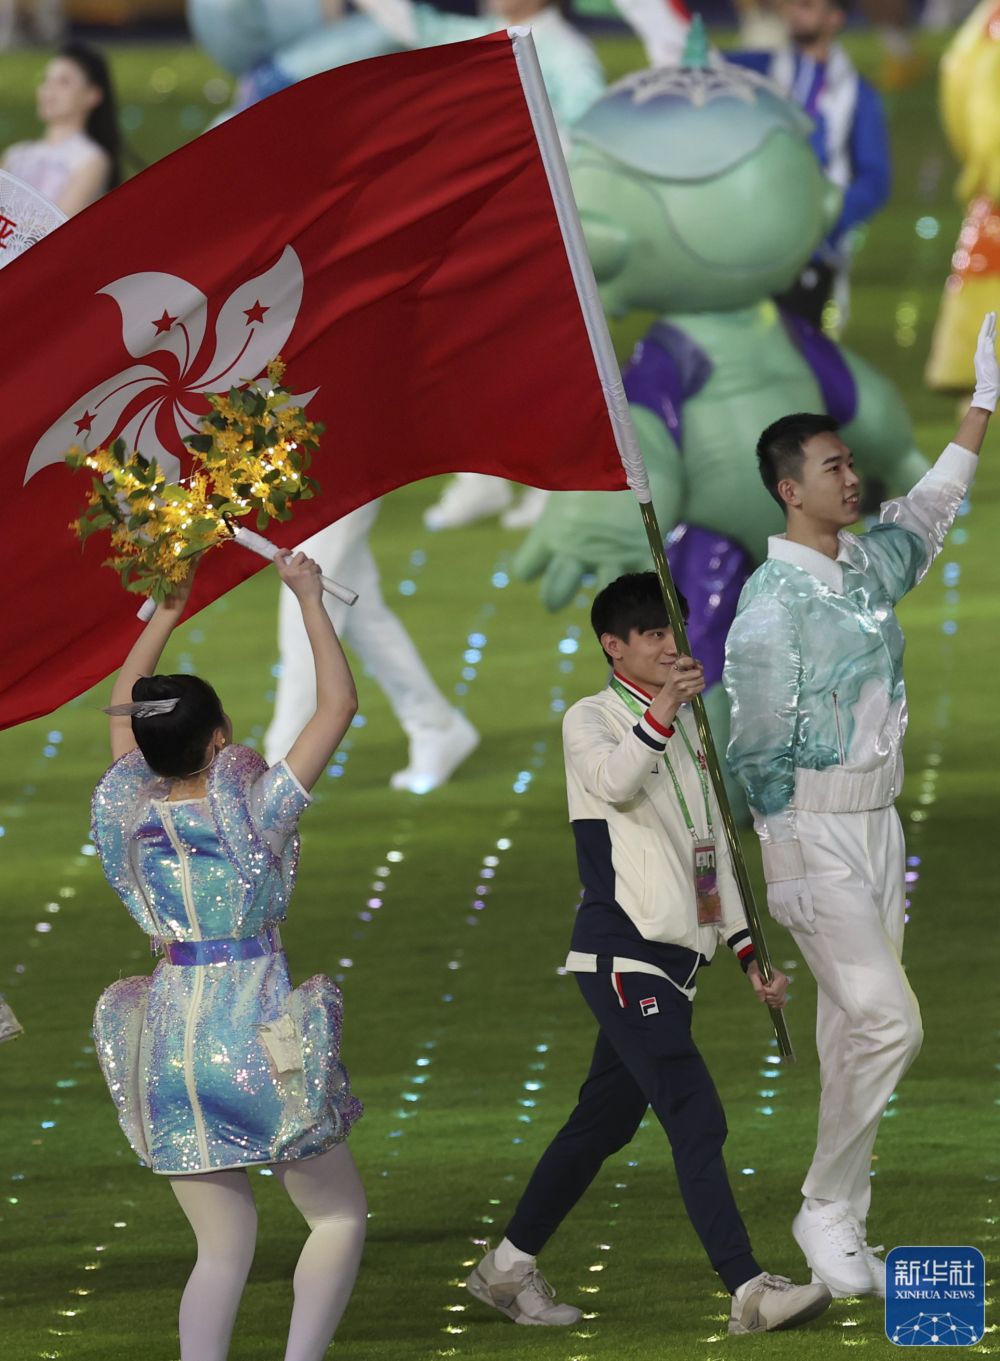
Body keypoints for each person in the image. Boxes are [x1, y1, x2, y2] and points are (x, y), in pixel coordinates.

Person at [466, 572, 831, 1336]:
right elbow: (615, 781)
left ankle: (504, 1267)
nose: (672, 645)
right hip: (622, 953)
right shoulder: (592, 720)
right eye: (654, 634)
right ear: (614, 645)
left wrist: (745, 950)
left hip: (675, 961)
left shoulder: (689, 728)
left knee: (601, 1125)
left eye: (675, 630)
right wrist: (665, 710)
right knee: (695, 1114)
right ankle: (749, 1289)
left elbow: (709, 853)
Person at [722, 314, 998, 1299]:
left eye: (851, 463)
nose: (853, 476)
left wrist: (980, 406)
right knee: (888, 1022)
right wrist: (782, 849)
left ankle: (841, 1225)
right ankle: (822, 1202)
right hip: (811, 833)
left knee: (852, 1032)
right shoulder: (770, 607)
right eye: (833, 467)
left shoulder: (864, 564)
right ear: (788, 488)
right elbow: (752, 739)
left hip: (877, 826)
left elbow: (924, 515)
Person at [91, 550, 367, 1361]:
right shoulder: (254, 808)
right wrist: (309, 596)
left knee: (222, 1247)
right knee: (337, 1215)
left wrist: (164, 609)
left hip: (168, 1041)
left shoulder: (128, 803)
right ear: (221, 736)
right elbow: (338, 703)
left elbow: (119, 709)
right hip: (255, 1039)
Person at [350, 0, 606, 534]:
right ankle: (483, 475)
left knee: (538, 360)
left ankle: (551, 484)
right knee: (471, 355)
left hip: (539, 229)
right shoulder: (486, 38)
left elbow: (589, 146)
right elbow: (411, 22)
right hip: (482, 226)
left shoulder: (565, 54)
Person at [263, 505, 479, 793]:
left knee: (307, 614)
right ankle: (435, 724)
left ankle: (278, 775)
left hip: (331, 471)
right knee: (360, 614)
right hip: (310, 474)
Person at [729, 0, 891, 331]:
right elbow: (696, 64)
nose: (794, 12)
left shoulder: (857, 93)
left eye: (807, 5)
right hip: (750, 243)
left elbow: (875, 178)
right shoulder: (760, 71)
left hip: (812, 254)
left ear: (835, 19)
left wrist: (823, 218)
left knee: (799, 356)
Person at [2, 41, 120, 216]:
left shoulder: (90, 159)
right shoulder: (16, 154)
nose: (49, 89)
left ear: (92, 95)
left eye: (64, 82)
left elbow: (58, 226)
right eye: (45, 80)